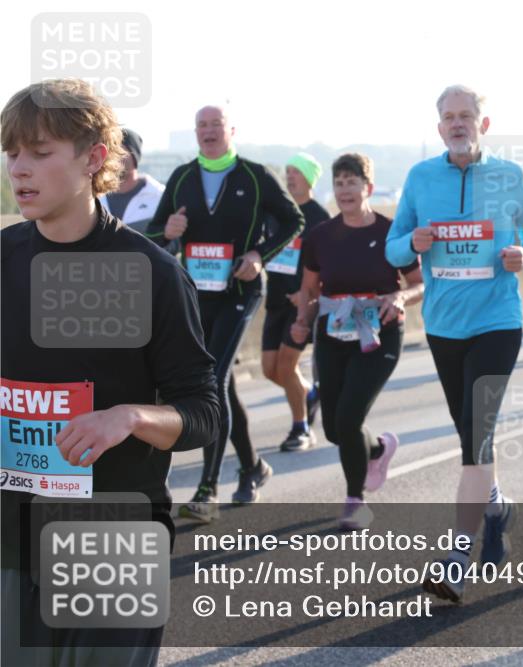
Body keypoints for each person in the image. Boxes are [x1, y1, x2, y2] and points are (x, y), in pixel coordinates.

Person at [2, 78, 220, 666]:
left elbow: (203, 413)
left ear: (94, 157)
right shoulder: (4, 259)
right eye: (12, 153)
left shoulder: (153, 273)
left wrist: (128, 418)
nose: (19, 169)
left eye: (39, 152)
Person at [386, 85, 523, 602]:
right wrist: (412, 244)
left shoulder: (509, 175)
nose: (458, 124)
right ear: (439, 128)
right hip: (443, 326)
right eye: (449, 117)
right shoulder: (420, 177)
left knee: (476, 436)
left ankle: (457, 557)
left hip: (497, 321)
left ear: (484, 124)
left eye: (467, 116)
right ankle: (497, 507)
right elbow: (393, 248)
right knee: (471, 436)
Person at [146, 104, 305, 522]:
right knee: (224, 386)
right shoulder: (182, 177)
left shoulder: (254, 175)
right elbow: (155, 232)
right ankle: (252, 467)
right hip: (197, 295)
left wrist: (259, 255)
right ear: (195, 132)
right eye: (201, 125)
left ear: (231, 130)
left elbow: (294, 220)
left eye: (216, 124)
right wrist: (168, 231)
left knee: (211, 381)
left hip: (240, 291)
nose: (209, 131)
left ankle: (208, 488)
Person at [291, 153, 423, 528]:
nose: (345, 190)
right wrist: (302, 321)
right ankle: (378, 448)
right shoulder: (320, 236)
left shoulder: (391, 233)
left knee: (349, 418)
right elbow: (309, 289)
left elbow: (419, 283)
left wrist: (399, 297)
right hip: (333, 333)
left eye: (352, 182)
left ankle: (355, 501)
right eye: (339, 183)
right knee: (335, 429)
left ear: (369, 187)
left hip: (379, 335)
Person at [262, 152, 327, 452]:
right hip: (275, 299)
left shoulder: (320, 218)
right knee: (270, 369)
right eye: (287, 171)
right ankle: (309, 395)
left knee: (287, 365)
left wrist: (309, 293)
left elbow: (329, 265)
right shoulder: (278, 213)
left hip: (303, 304)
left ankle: (301, 428)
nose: (290, 177)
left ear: (309, 178)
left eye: (296, 172)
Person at [98, 127, 165, 236]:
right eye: (112, 150)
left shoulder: (159, 196)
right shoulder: (95, 198)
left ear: (135, 156)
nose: (115, 157)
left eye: (121, 150)